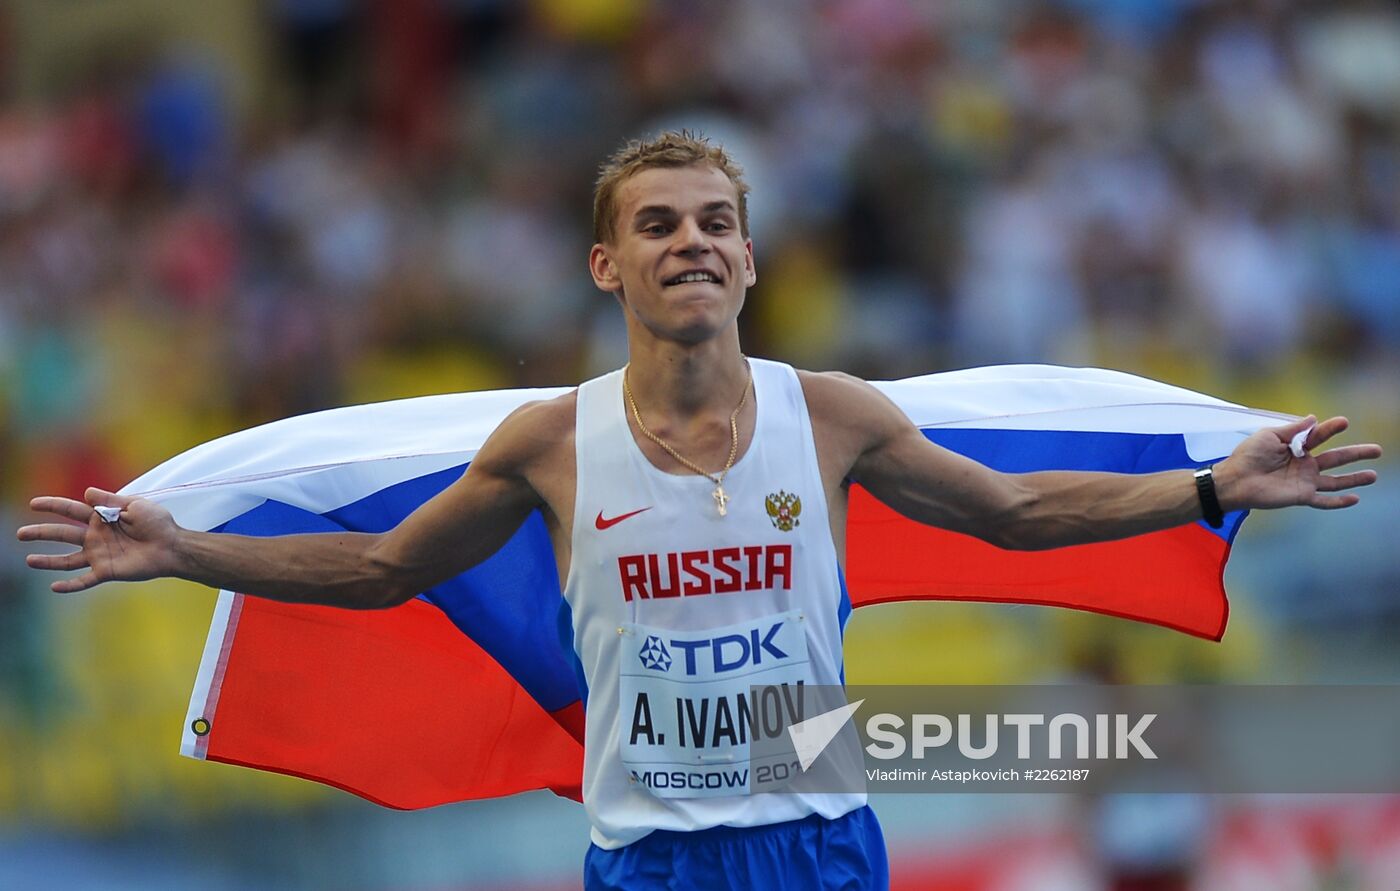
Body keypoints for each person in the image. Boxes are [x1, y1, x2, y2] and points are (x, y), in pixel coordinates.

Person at [16, 131, 1383, 890]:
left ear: (748, 255)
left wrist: (1213, 486)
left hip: (821, 844)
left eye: (716, 220)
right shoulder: (549, 443)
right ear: (610, 262)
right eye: (661, 223)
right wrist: (186, 550)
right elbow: (382, 566)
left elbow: (1015, 512)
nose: (694, 242)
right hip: (653, 860)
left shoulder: (831, 413)